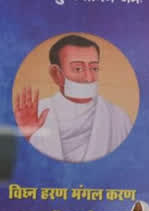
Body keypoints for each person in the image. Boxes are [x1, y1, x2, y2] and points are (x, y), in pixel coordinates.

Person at [13, 34, 132, 163]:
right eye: (78, 69)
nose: (89, 78)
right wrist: (27, 135)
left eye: (94, 68)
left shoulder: (117, 117)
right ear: (56, 74)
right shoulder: (33, 114)